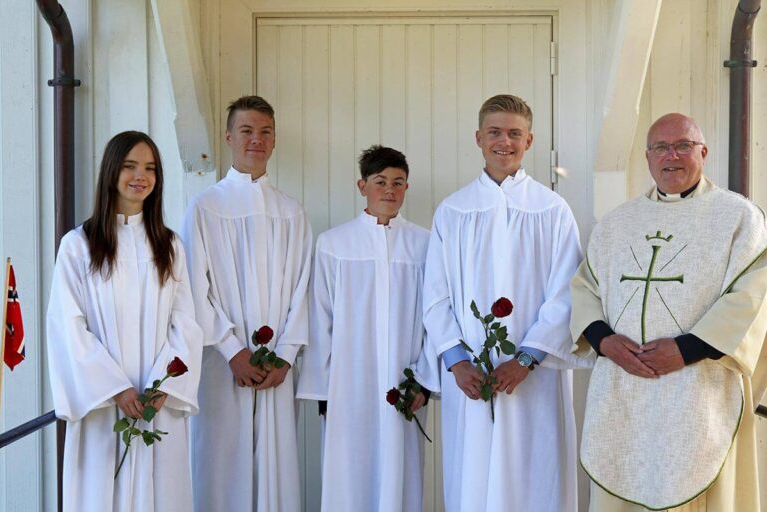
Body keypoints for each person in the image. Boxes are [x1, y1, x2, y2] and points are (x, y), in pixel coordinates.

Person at [571, 113, 767, 511]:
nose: (671, 156)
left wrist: (687, 349)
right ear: (647, 156)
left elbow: (752, 295)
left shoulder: (738, 216)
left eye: (683, 146)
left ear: (703, 152)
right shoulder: (616, 223)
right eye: (661, 147)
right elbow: (584, 288)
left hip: (698, 387)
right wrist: (604, 342)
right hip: (624, 387)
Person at [422, 94, 588, 512]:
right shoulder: (453, 211)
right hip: (471, 376)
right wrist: (457, 362)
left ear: (529, 140)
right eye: (494, 132)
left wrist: (527, 359)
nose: (504, 142)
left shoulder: (552, 210)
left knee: (534, 475)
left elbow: (567, 292)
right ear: (478, 138)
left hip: (533, 377)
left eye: (515, 134)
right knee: (474, 475)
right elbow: (435, 295)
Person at [46, 131, 202, 512]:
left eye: (150, 168)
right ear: (111, 172)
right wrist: (116, 388)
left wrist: (165, 384)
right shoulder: (79, 246)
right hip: (103, 410)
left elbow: (185, 322)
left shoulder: (169, 247)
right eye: (130, 166)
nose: (140, 176)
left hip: (155, 406)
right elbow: (68, 326)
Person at [182, 95, 311, 512]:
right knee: (223, 466)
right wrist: (233, 351)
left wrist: (286, 355)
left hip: (276, 369)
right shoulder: (205, 207)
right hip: (224, 365)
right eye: (247, 131)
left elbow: (303, 288)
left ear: (274, 140)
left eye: (265, 132)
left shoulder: (291, 212)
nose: (256, 139)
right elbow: (193, 288)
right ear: (228, 138)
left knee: (275, 467)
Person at [297, 145, 433, 511]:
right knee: (349, 472)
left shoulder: (424, 245)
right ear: (362, 186)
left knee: (401, 473)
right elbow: (321, 318)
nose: (389, 190)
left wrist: (423, 382)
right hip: (348, 386)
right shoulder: (334, 244)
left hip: (404, 382)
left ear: (406, 188)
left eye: (398, 182)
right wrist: (324, 392)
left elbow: (433, 319)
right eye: (380, 181)